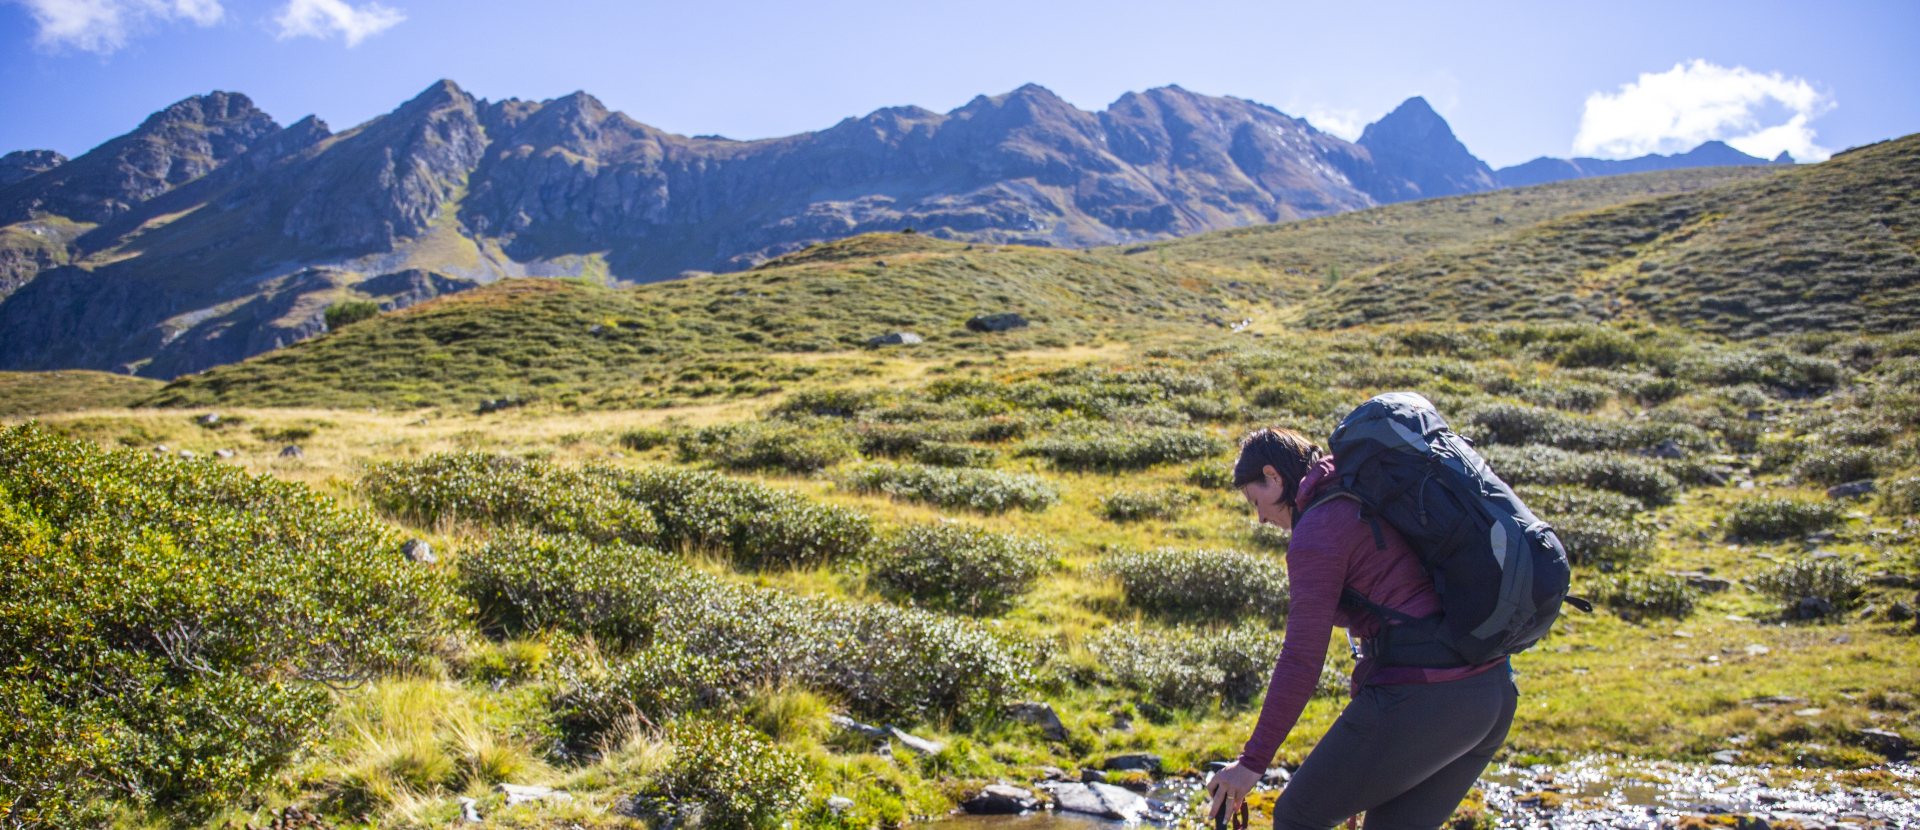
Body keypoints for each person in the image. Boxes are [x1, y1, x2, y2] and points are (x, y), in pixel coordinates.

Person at [1204, 427, 1519, 830]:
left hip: (1430, 696)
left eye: (1256, 500)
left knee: (1297, 816)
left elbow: (1301, 659)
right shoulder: (1362, 498)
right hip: (1490, 695)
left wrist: (1251, 764)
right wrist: (1354, 777)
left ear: (1274, 476)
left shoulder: (1318, 531)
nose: (1261, 517)